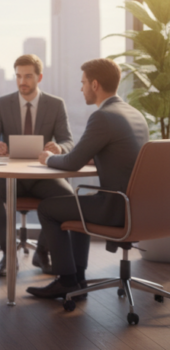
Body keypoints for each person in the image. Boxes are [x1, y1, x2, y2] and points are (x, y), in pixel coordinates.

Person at [26, 58, 149, 300]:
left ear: (94, 84)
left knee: (48, 208)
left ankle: (68, 280)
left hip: (116, 207)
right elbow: (122, 155)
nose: (80, 88)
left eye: (82, 83)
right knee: (75, 205)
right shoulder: (135, 115)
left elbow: (71, 162)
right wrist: (97, 157)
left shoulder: (103, 117)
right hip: (141, 208)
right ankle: (78, 278)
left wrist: (48, 158)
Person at [0, 54, 75, 277]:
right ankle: (9, 254)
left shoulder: (55, 104)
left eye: (28, 76)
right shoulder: (2, 104)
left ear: (39, 77)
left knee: (68, 196)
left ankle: (42, 251)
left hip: (42, 176)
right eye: (18, 76)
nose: (22, 81)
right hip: (10, 175)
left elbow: (68, 141)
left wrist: (59, 148)